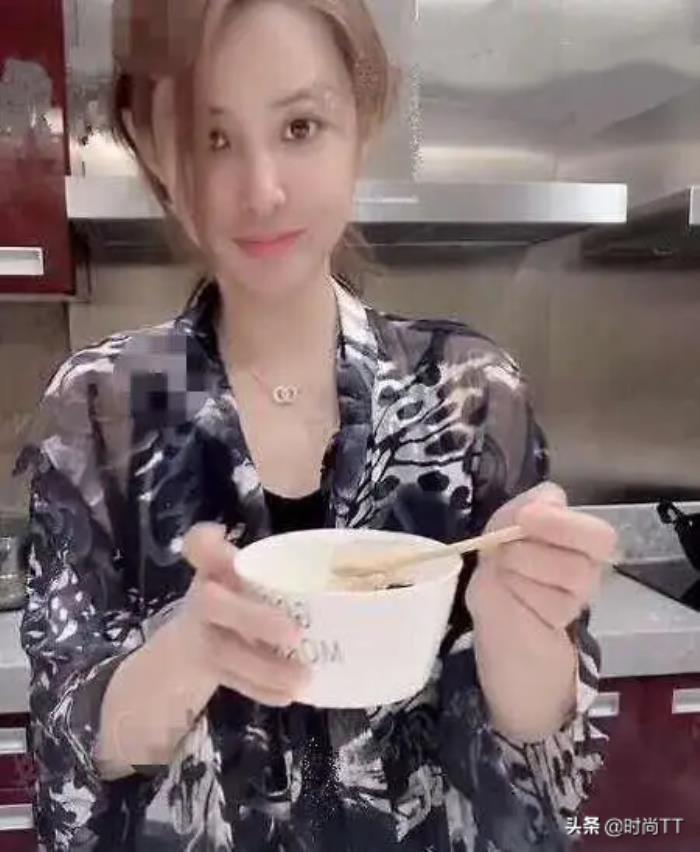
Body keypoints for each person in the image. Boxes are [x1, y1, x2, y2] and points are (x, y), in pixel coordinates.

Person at [16, 0, 617, 849]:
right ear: (152, 149)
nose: (262, 190)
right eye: (213, 138)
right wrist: (185, 656)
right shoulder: (100, 412)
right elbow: (68, 760)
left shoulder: (469, 396)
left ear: (361, 121)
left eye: (300, 126)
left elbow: (549, 764)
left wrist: (519, 627)